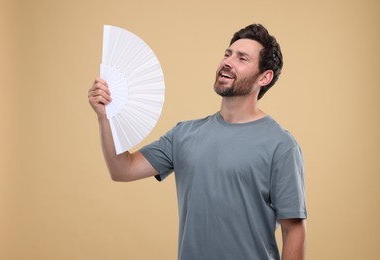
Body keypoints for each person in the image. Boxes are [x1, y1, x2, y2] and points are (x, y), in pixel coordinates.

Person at [88, 24, 307, 260]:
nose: (228, 62)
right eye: (227, 54)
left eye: (242, 58)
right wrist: (105, 117)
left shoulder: (281, 145)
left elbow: (293, 228)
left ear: (265, 77)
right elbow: (122, 169)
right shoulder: (184, 134)